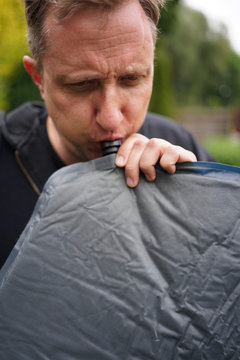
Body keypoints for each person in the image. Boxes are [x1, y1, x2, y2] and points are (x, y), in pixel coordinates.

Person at [0, 0, 213, 269]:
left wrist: (199, 204)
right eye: (81, 84)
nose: (111, 118)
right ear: (39, 78)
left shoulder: (181, 150)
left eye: (132, 79)